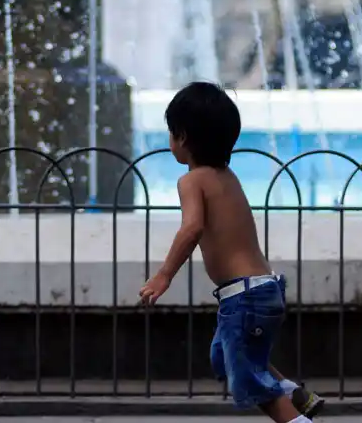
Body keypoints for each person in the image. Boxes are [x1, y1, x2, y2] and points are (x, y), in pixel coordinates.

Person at [138, 82, 324, 423]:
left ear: (181, 137)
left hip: (245, 298)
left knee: (251, 380)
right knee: (225, 357)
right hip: (264, 290)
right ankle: (296, 393)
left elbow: (192, 228)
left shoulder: (192, 181)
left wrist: (163, 275)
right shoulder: (228, 176)